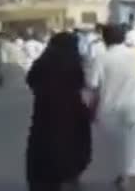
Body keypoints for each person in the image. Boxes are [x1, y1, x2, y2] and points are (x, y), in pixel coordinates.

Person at [87, 24, 135, 190]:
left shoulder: (101, 58)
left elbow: (93, 85)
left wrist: (91, 108)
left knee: (117, 144)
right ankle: (127, 174)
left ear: (105, 39)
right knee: (134, 141)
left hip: (110, 106)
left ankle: (123, 175)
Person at [25, 32, 92, 191]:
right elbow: (81, 83)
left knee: (45, 145)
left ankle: (45, 180)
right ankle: (69, 176)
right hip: (72, 112)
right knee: (72, 145)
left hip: (45, 112)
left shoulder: (43, 62)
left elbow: (31, 80)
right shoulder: (74, 62)